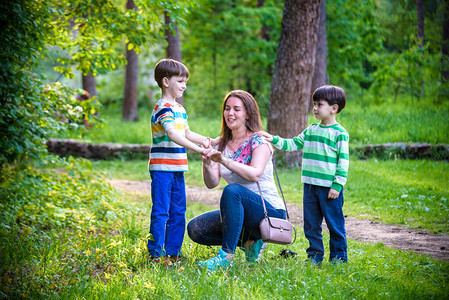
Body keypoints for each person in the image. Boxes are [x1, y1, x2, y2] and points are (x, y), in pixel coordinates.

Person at [187, 90, 287, 271]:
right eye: (227, 109)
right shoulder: (222, 143)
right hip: (240, 214)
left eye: (236, 109)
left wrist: (224, 160)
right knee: (196, 228)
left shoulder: (259, 140)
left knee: (233, 191)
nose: (230, 113)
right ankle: (250, 243)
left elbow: (254, 174)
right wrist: (208, 163)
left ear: (248, 113)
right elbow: (211, 183)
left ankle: (226, 256)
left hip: (269, 213)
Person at [258, 85, 349, 264]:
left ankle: (339, 257)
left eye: (319, 104)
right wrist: (273, 139)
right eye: (314, 104)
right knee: (311, 225)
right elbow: (292, 144)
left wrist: (337, 185)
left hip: (330, 189)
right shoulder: (311, 130)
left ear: (334, 108)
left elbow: (343, 162)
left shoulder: (340, 134)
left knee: (334, 225)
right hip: (310, 187)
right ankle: (315, 256)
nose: (314, 108)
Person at [148, 58, 211, 264]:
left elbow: (187, 133)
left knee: (178, 211)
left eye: (186, 81)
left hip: (177, 169)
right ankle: (156, 254)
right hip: (162, 169)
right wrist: (198, 149)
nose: (185, 85)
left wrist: (213, 141)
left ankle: (173, 252)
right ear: (166, 81)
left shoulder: (180, 109)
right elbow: (173, 134)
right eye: (181, 81)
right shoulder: (163, 107)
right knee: (161, 211)